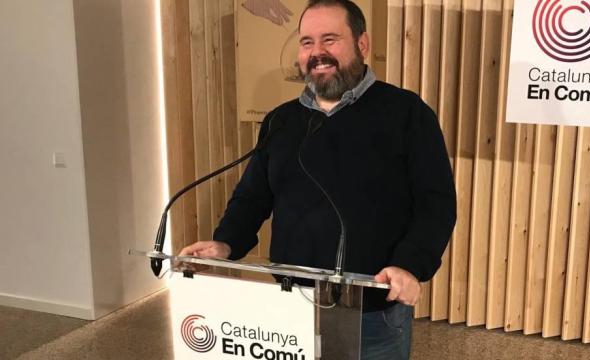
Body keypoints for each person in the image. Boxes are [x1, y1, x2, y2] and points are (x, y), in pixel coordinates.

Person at [179, 0, 456, 358]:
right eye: (307, 42)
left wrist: (409, 265)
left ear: (362, 44)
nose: (317, 53)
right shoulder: (281, 121)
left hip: (370, 312)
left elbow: (436, 203)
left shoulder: (406, 113)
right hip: (289, 306)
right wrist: (225, 244)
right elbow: (253, 197)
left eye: (330, 39)